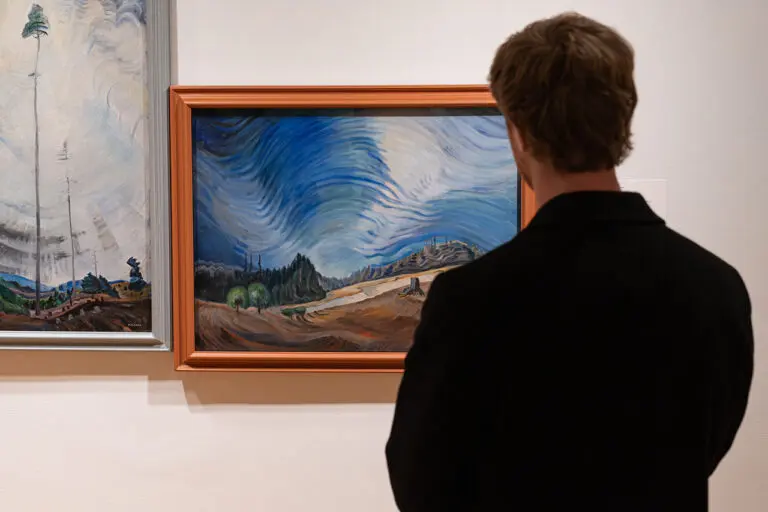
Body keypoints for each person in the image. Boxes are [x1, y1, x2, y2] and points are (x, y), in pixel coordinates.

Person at [385, 12, 754, 511]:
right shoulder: (715, 287)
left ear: (517, 132)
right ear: (623, 117)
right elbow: (706, 447)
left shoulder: (469, 301)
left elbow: (421, 481)